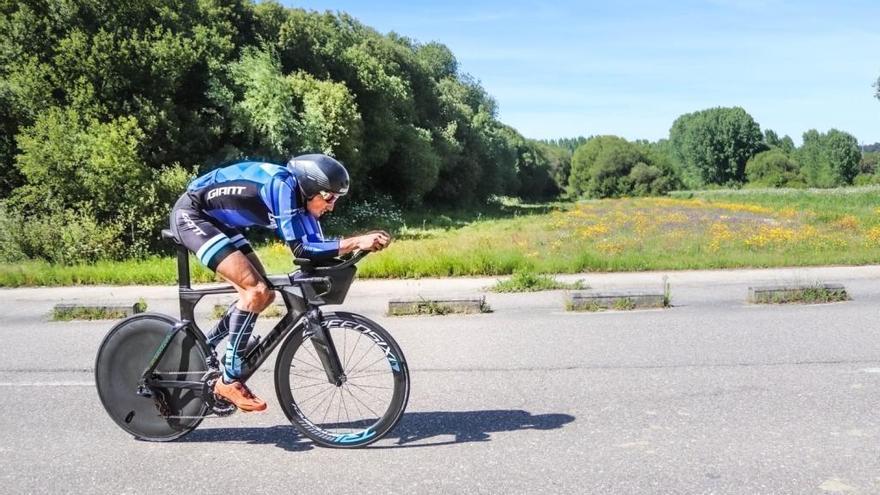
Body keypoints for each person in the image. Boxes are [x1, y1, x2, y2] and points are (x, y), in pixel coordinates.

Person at [169, 154, 390, 412]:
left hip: (220, 223)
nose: (332, 206)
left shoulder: (303, 201)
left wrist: (358, 248)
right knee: (255, 291)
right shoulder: (282, 186)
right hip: (193, 215)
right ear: (310, 188)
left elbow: (317, 251)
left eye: (336, 199)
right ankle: (228, 380)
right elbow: (302, 249)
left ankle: (206, 348)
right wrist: (355, 241)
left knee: (265, 294)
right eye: (329, 197)